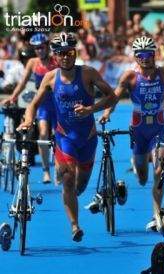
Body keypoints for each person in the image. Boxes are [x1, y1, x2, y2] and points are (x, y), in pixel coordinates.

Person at [17, 32, 117, 242]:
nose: (65, 57)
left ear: (75, 53)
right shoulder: (50, 78)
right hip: (65, 138)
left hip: (88, 138)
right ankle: (75, 226)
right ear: (55, 55)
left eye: (69, 52)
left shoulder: (88, 73)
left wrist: (91, 109)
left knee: (80, 186)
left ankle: (75, 198)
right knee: (68, 180)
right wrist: (28, 121)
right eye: (60, 53)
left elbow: (112, 97)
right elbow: (33, 104)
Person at [100, 36, 164, 233]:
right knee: (143, 177)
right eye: (140, 55)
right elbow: (114, 96)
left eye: (148, 54)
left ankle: (157, 214)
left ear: (154, 55)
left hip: (158, 129)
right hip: (138, 130)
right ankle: (131, 174)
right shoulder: (130, 77)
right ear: (136, 57)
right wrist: (108, 112)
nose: (145, 58)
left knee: (160, 171)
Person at [2, 33, 58, 184]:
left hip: (58, 105)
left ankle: (59, 167)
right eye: (36, 48)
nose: (39, 51)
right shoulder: (33, 62)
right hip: (43, 105)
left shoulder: (57, 60)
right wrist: (13, 97)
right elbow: (22, 82)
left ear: (47, 46)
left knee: (59, 137)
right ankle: (46, 171)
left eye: (41, 47)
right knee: (43, 135)